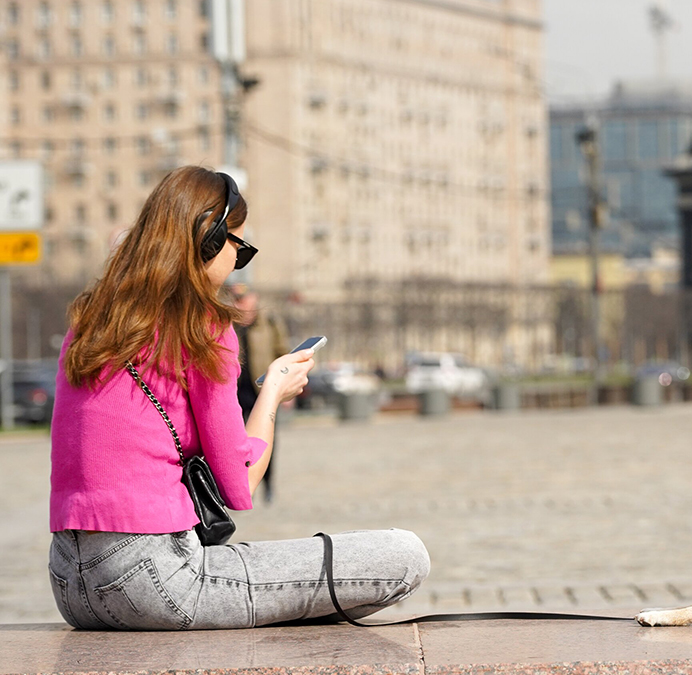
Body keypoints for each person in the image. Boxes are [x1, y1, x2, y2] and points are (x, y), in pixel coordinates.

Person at [48, 167, 428, 630]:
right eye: (239, 248)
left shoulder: (89, 322)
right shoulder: (203, 326)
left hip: (69, 584)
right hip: (157, 581)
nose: (237, 262)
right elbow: (239, 485)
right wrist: (272, 393)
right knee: (403, 555)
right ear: (209, 241)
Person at [232, 287, 290, 503]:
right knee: (237, 443)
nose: (239, 304)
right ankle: (244, 485)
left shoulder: (269, 323)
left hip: (262, 390)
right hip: (235, 392)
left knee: (265, 441)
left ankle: (268, 484)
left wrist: (284, 389)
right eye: (235, 299)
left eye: (243, 299)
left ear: (254, 299)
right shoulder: (227, 324)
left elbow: (282, 352)